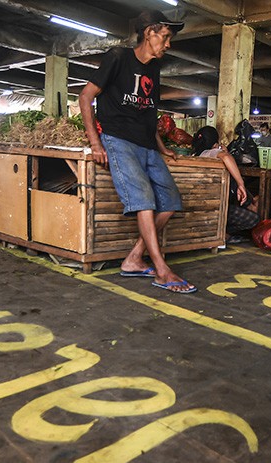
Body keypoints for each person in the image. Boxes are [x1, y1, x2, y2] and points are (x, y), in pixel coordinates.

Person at [78, 9, 196, 294]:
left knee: (169, 201)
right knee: (144, 200)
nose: (168, 44)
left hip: (147, 145)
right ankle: (161, 270)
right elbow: (85, 97)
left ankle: (133, 259)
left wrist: (162, 147)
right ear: (149, 33)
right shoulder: (118, 58)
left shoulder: (154, 69)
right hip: (118, 141)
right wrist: (96, 143)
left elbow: (149, 113)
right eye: (165, 37)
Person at [192, 126, 259, 243]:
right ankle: (224, 234)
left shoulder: (195, 155)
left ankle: (222, 232)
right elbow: (226, 157)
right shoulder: (210, 153)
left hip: (200, 208)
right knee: (253, 219)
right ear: (215, 144)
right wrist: (241, 183)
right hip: (215, 209)